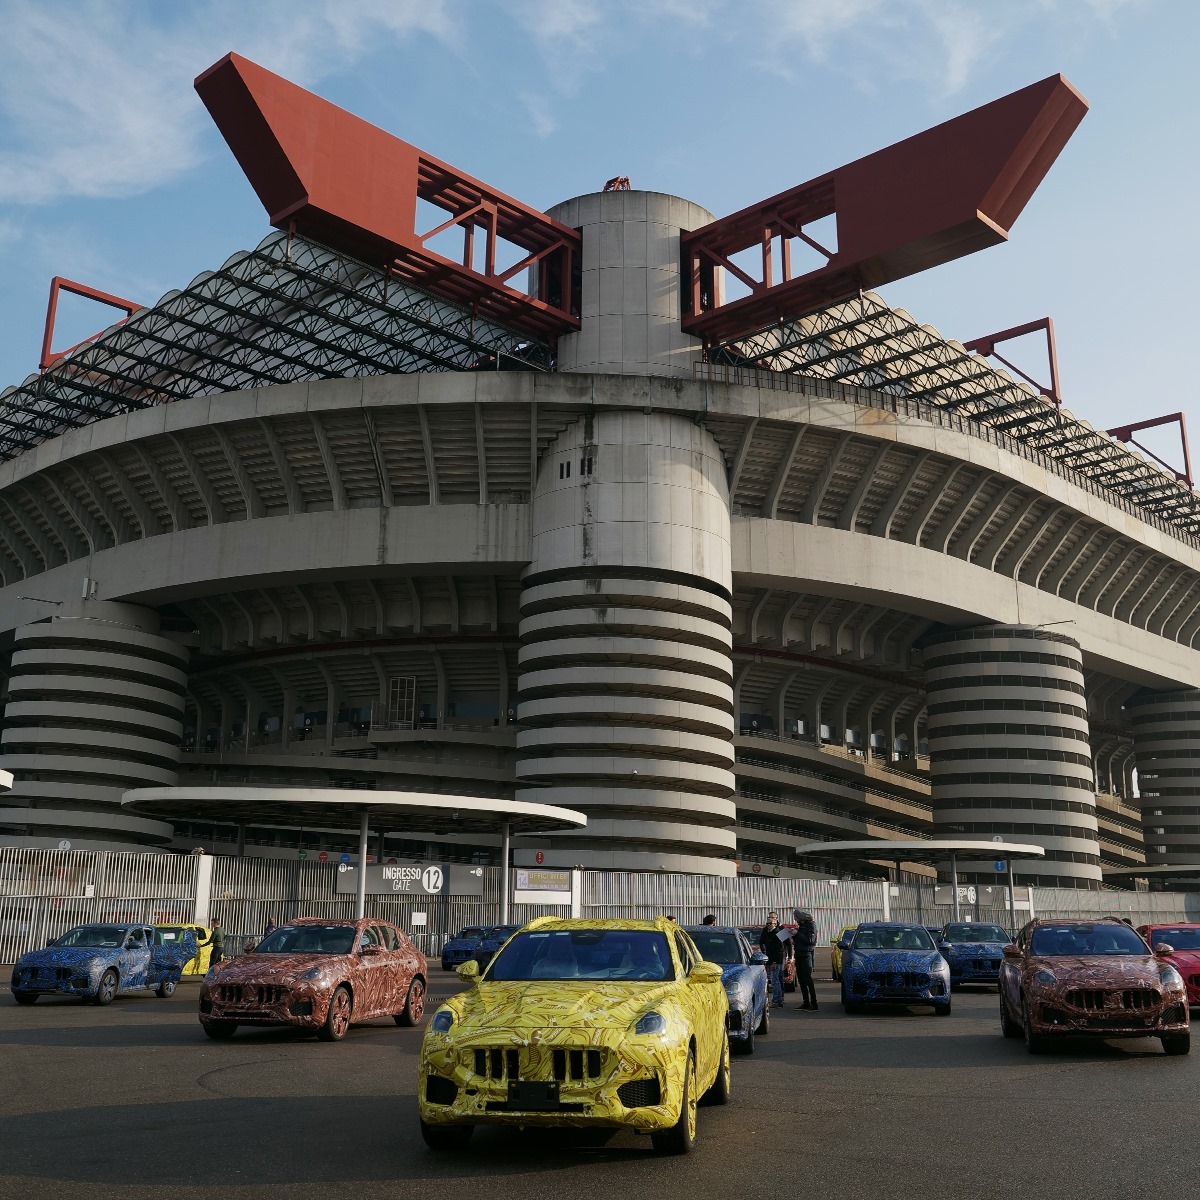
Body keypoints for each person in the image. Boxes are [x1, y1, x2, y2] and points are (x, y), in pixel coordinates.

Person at [759, 911, 791, 1007]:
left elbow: (787, 945)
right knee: (777, 979)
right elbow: (762, 942)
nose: (769, 923)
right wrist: (764, 953)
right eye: (768, 919)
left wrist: (790, 957)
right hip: (771, 958)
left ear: (776, 919)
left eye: (773, 918)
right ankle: (779, 999)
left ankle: (777, 1000)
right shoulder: (766, 930)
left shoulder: (781, 930)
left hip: (778, 958)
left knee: (776, 979)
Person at [793, 909, 818, 1010]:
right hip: (798, 954)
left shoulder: (811, 926)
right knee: (801, 981)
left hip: (806, 955)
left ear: (801, 917)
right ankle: (806, 1002)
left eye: (796, 917)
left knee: (808, 980)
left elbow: (810, 940)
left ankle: (814, 1003)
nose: (795, 919)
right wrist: (793, 935)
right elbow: (800, 939)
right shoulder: (801, 926)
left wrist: (797, 933)